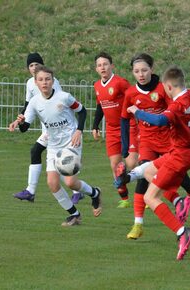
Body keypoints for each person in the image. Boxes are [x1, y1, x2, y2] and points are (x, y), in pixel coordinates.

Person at [119, 65, 190, 260]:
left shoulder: (176, 106)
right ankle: (177, 201)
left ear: (168, 86)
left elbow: (160, 121)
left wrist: (138, 112)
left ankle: (183, 233)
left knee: (150, 198)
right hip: (189, 150)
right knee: (149, 171)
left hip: (180, 155)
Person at [15, 65, 102, 226]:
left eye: (47, 79)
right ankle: (74, 214)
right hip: (53, 145)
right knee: (52, 183)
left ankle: (94, 193)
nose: (44, 82)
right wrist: (20, 122)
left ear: (53, 81)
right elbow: (24, 128)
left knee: (70, 182)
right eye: (40, 80)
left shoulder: (64, 97)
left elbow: (82, 111)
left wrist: (79, 131)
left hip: (71, 141)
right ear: (36, 82)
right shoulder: (34, 103)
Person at [9, 53, 81, 202]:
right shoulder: (30, 83)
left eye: (36, 65)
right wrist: (19, 120)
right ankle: (32, 191)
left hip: (59, 130)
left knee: (46, 155)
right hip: (48, 129)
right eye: (31, 65)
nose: (34, 68)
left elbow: (59, 103)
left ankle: (74, 190)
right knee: (40, 154)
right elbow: (28, 105)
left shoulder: (51, 82)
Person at [91, 52, 139, 208]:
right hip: (111, 130)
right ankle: (124, 198)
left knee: (131, 163)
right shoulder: (97, 85)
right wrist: (95, 125)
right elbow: (100, 106)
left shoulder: (120, 83)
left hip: (128, 126)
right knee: (114, 165)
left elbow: (134, 96)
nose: (102, 67)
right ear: (96, 69)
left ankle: (144, 193)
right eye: (99, 65)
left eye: (105, 64)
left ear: (112, 66)